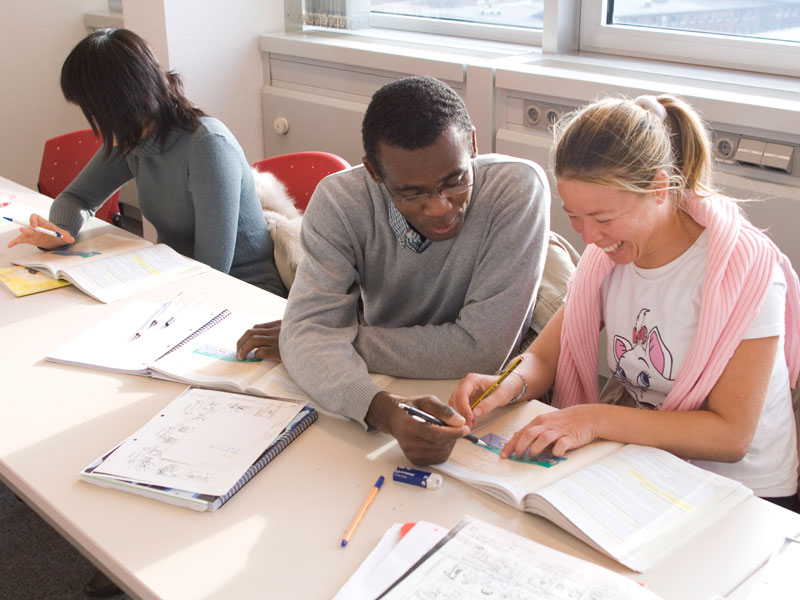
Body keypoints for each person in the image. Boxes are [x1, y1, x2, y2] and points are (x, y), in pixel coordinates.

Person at [450, 94, 800, 509]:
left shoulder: (744, 272)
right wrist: (505, 383)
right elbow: (545, 358)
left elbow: (731, 436)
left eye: (603, 218)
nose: (588, 238)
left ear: (657, 187)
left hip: (749, 495)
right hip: (647, 467)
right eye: (575, 217)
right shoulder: (606, 261)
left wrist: (595, 419)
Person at [238, 75, 550, 465]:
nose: (439, 207)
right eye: (412, 193)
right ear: (374, 172)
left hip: (487, 401)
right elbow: (310, 335)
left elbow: (482, 351)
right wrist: (383, 411)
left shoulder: (517, 188)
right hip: (389, 385)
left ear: (471, 145)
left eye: (454, 181)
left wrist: (328, 341)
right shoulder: (339, 203)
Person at [8, 28, 287, 298]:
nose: (91, 120)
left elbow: (212, 270)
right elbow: (76, 197)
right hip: (176, 281)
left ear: (116, 103)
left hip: (243, 293)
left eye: (91, 108)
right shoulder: (135, 139)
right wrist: (60, 232)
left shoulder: (207, 146)